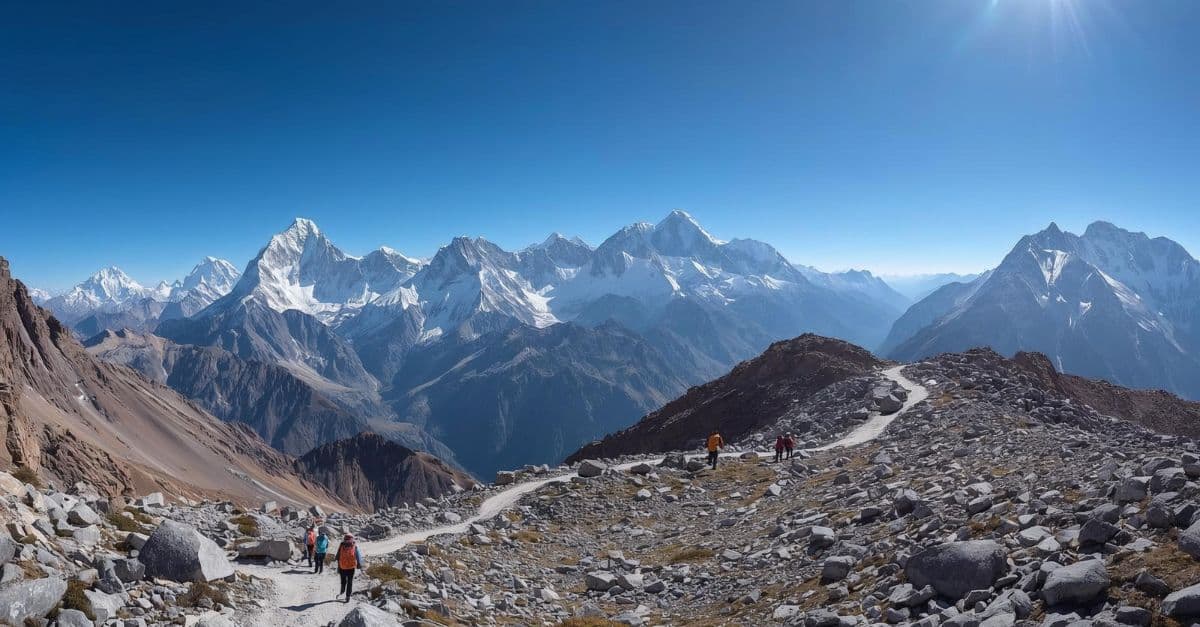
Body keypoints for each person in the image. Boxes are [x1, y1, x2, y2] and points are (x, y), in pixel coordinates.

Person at [336, 534, 363, 603]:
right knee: (350, 582)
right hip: (351, 567)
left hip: (342, 566)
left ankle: (342, 589)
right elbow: (358, 555)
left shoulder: (342, 545)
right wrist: (359, 563)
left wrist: (338, 563)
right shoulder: (354, 546)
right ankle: (348, 596)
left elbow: (338, 555)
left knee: (343, 580)